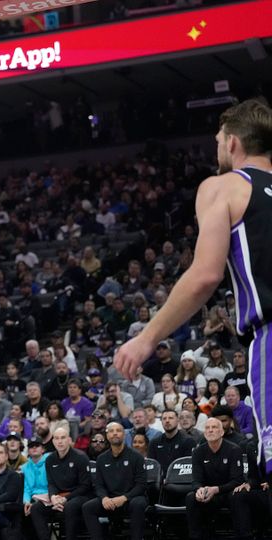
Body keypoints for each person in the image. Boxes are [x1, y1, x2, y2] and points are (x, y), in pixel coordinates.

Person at [115, 99, 272, 473]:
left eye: (218, 139)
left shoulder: (224, 187)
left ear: (233, 142)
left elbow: (205, 275)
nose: (217, 147)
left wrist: (147, 337)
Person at [186, 418, 253, 540]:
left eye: (214, 427)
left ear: (222, 432)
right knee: (192, 497)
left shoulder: (234, 449)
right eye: (207, 428)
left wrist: (216, 490)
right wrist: (198, 490)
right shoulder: (197, 452)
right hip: (208, 494)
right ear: (204, 433)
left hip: (228, 492)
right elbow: (196, 480)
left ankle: (244, 536)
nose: (210, 430)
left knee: (238, 495)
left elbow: (237, 480)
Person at [82, 422, 147, 540]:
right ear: (107, 436)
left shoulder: (136, 457)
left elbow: (141, 485)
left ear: (124, 435)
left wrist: (124, 498)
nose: (115, 433)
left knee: (139, 504)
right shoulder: (101, 459)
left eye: (118, 430)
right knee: (88, 507)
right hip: (110, 499)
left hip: (131, 498)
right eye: (111, 431)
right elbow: (99, 485)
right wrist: (104, 498)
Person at [30, 428, 92, 540]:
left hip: (80, 495)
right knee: (36, 508)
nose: (60, 441)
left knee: (69, 507)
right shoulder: (49, 460)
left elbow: (85, 486)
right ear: (53, 442)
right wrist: (53, 497)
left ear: (69, 440)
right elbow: (51, 483)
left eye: (63, 438)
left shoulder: (80, 457)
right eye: (57, 438)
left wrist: (66, 499)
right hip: (59, 496)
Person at [148, 410, 195, 476]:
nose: (167, 421)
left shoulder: (188, 441)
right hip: (159, 482)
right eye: (164, 418)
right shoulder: (154, 443)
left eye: (170, 418)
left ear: (177, 420)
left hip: (181, 482)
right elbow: (151, 467)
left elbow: (188, 467)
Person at [21, 438, 49, 514]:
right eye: (31, 446)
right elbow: (26, 488)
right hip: (33, 498)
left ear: (43, 450)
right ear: (28, 451)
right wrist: (26, 501)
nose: (34, 448)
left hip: (48, 496)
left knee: (35, 508)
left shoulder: (50, 461)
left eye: (37, 445)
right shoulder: (24, 468)